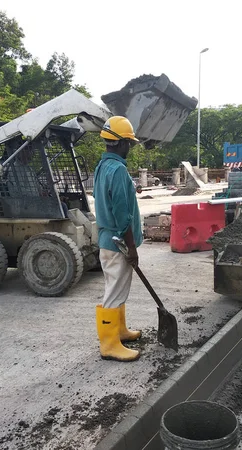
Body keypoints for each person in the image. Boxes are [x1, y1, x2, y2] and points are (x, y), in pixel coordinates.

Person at [93, 116, 143, 362]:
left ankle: (120, 331)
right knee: (113, 292)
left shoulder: (102, 167)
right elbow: (123, 215)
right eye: (129, 143)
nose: (130, 148)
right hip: (117, 242)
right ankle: (110, 345)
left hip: (107, 238)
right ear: (121, 142)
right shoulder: (119, 169)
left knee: (117, 287)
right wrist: (131, 247)